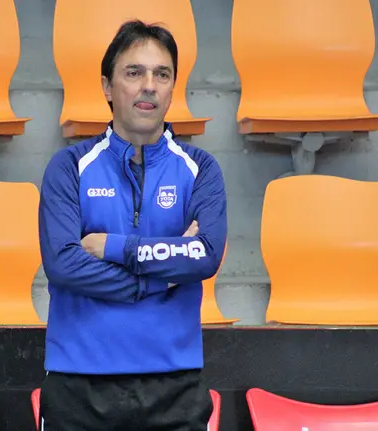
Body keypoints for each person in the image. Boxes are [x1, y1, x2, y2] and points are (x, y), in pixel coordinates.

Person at [38, 20, 227, 430]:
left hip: (174, 386)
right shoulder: (69, 167)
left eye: (162, 74)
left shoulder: (202, 171)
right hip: (78, 385)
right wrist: (160, 278)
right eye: (133, 72)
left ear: (173, 87)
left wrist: (114, 247)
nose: (149, 85)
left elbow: (205, 255)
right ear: (107, 87)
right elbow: (64, 264)